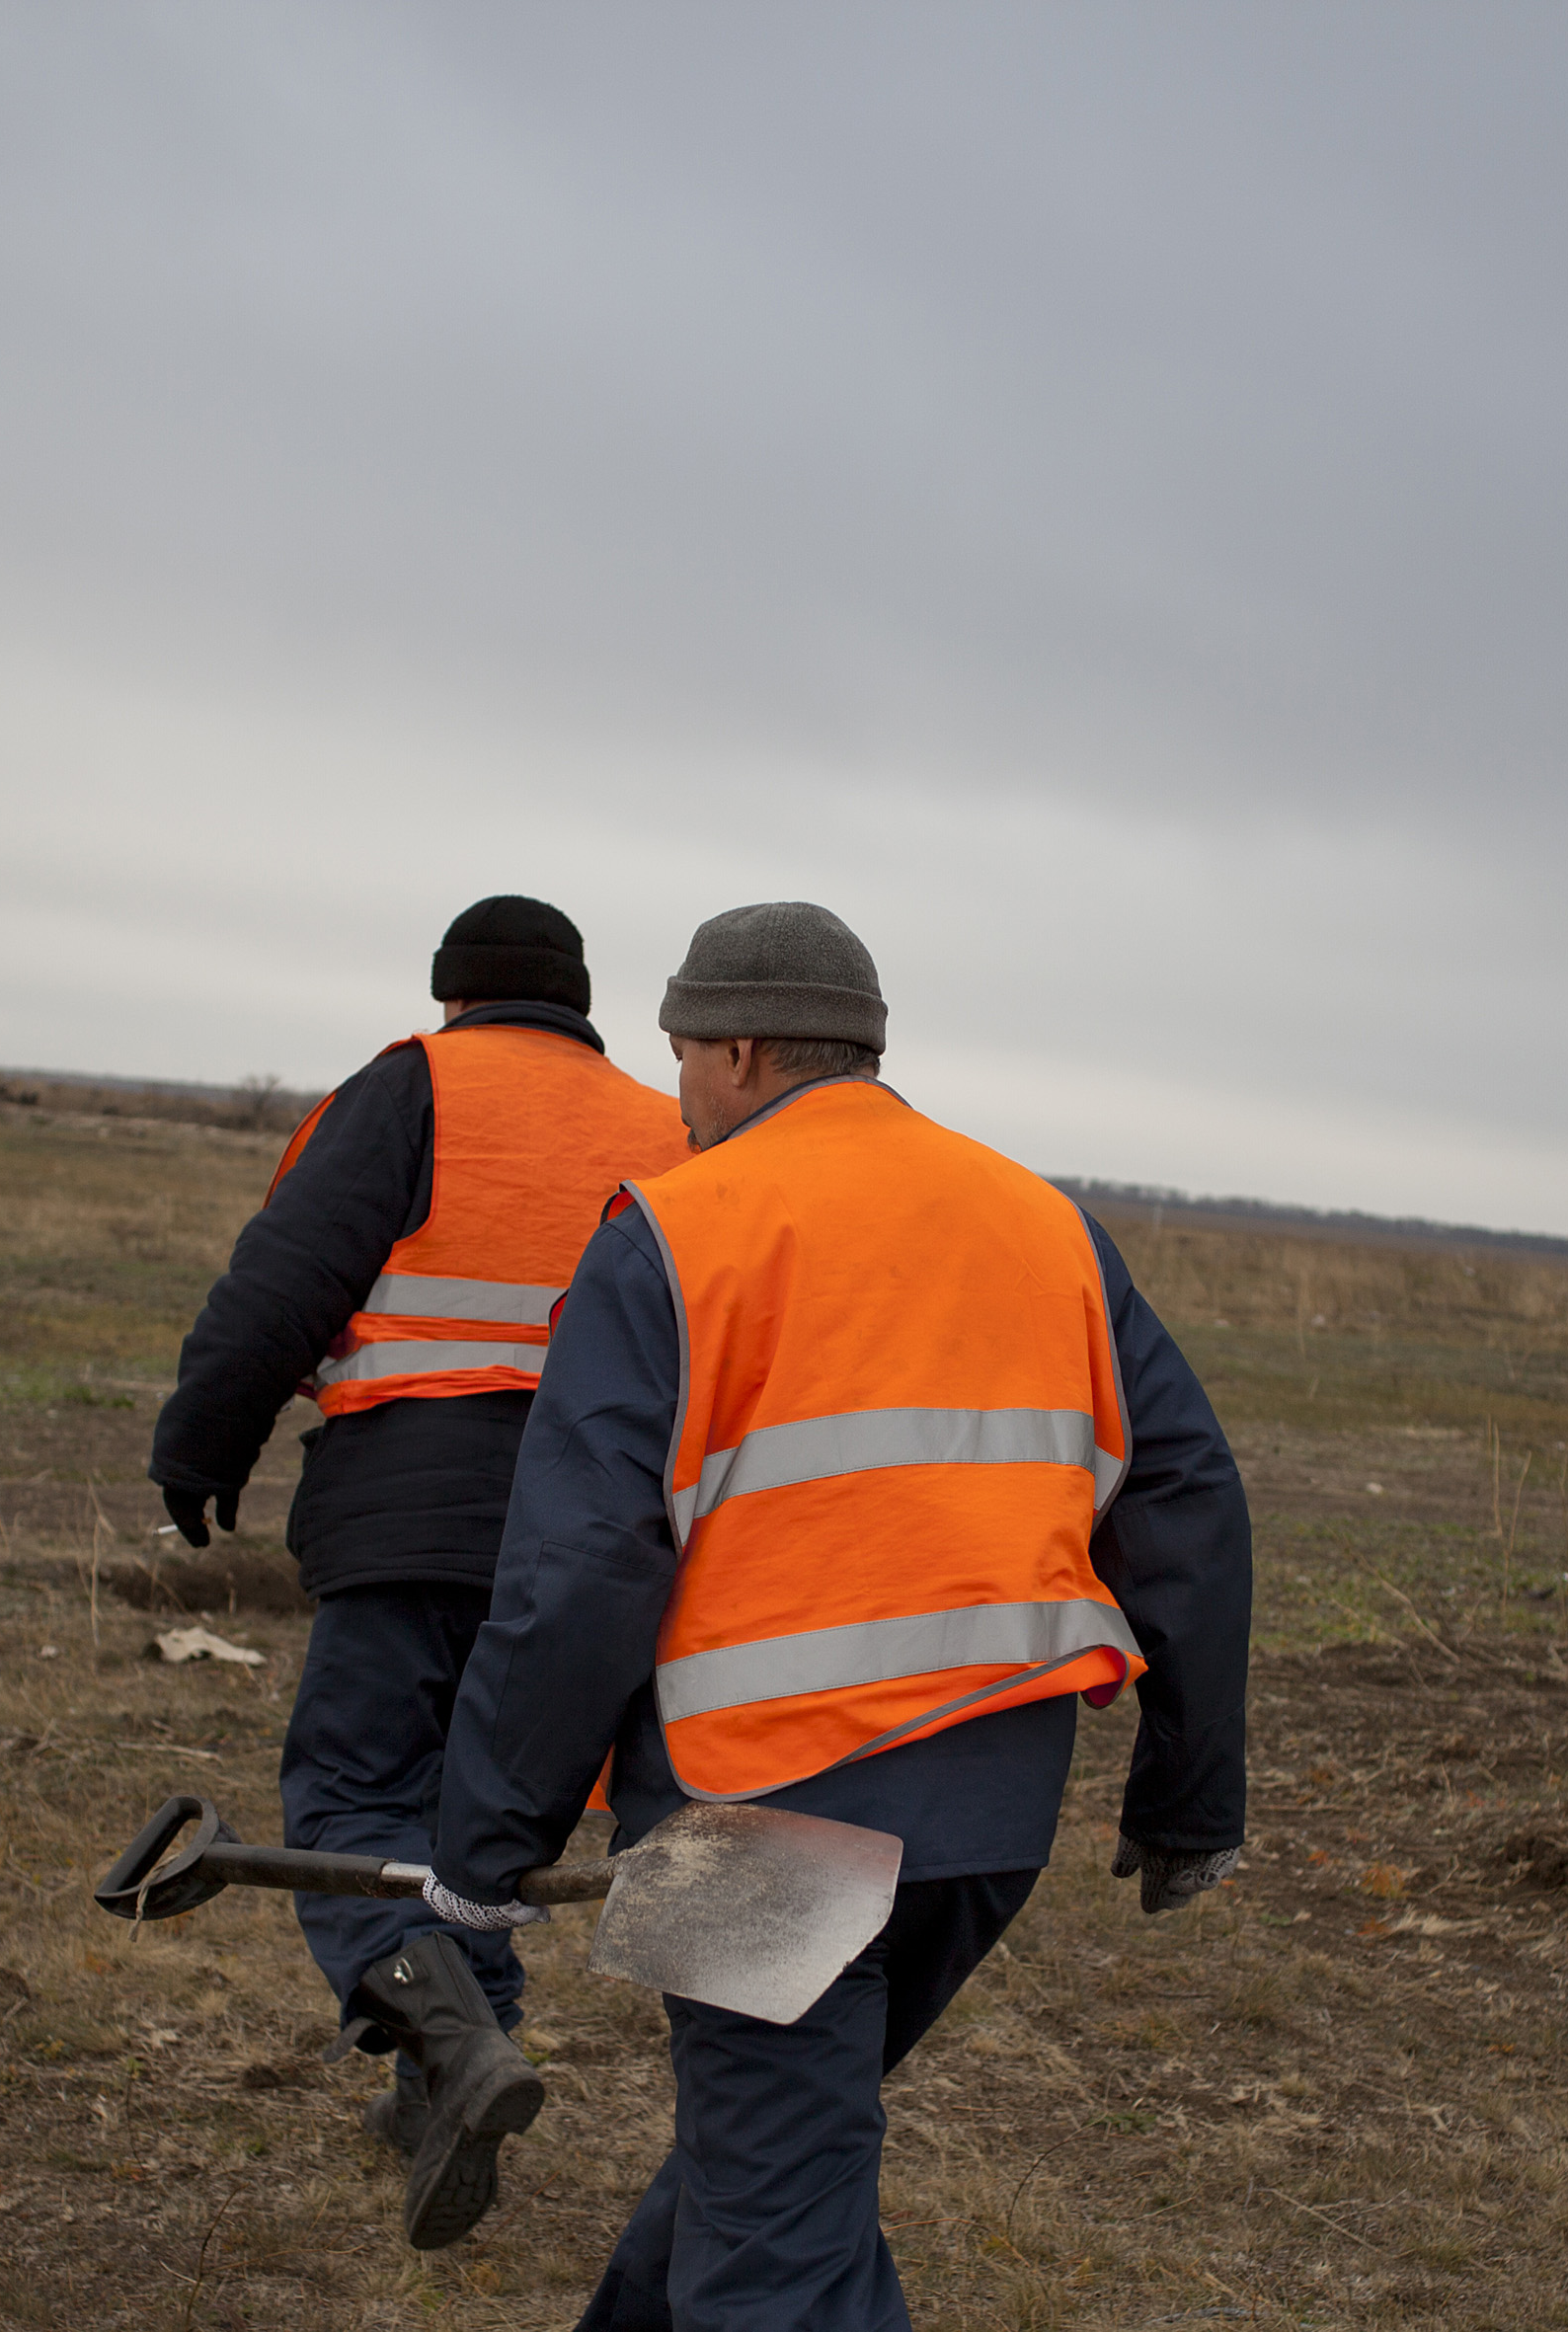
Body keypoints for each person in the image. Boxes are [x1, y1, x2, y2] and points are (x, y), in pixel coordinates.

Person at [424, 901, 1252, 2326]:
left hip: (748, 1820)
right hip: (986, 1817)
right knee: (767, 2158)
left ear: (739, 1050)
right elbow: (1186, 1508)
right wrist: (1188, 1801)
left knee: (775, 2235)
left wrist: (483, 1852)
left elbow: (579, 1574)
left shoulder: (672, 1233)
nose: (673, 1089)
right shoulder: (1045, 1226)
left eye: (681, 1053)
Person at [148, 894, 688, 2249]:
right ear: (580, 1001)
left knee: (345, 1794)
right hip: (606, 1532)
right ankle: (436, 2082)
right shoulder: (659, 1122)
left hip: (413, 1512)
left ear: (451, 993)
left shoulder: (414, 1086)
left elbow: (283, 1278)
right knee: (483, 1811)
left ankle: (447, 2042)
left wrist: (204, 1437)